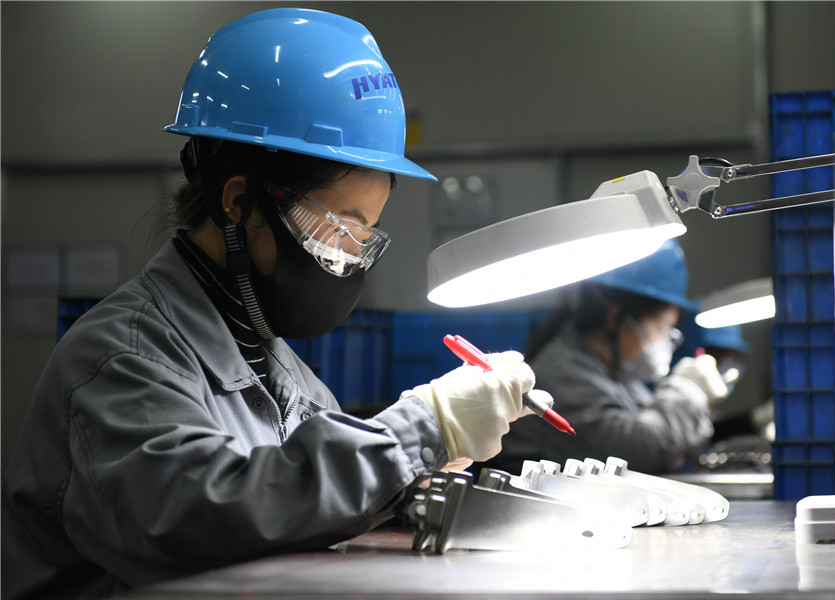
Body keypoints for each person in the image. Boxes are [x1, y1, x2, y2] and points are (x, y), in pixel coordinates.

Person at [1, 9, 535, 599]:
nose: (351, 260)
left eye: (368, 235)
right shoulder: (118, 362)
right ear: (238, 202)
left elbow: (306, 506)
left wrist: (420, 476)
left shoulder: (285, 375)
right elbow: (208, 519)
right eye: (340, 228)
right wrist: (427, 426)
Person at [488, 239, 729, 476]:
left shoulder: (617, 375)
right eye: (662, 327)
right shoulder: (561, 375)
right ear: (615, 319)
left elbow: (676, 448)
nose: (666, 340)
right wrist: (687, 389)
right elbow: (644, 452)